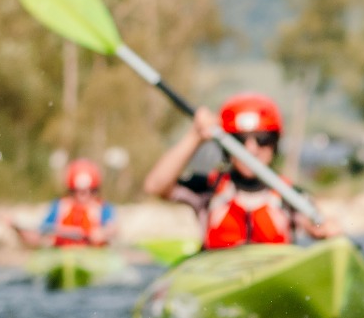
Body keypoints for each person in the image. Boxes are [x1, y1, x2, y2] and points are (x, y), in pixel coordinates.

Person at [142, 91, 335, 248]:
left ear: (274, 143)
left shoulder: (291, 196)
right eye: (239, 140)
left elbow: (313, 223)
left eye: (262, 138)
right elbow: (154, 186)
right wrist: (195, 136)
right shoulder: (208, 189)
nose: (251, 149)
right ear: (226, 146)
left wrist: (323, 227)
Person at [37, 158, 116, 247]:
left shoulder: (102, 207)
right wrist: (61, 231)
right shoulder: (60, 206)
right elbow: (43, 228)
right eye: (78, 191)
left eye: (88, 191)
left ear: (94, 190)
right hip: (63, 251)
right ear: (71, 190)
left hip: (92, 252)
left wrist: (103, 232)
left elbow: (112, 227)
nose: (83, 196)